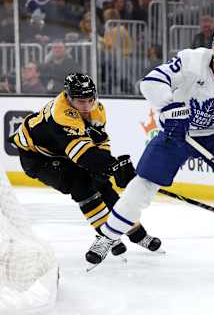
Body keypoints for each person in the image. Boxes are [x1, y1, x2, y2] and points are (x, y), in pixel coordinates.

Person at [85, 25, 214, 276]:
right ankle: (108, 237)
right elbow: (152, 81)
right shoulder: (191, 60)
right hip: (178, 133)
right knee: (142, 184)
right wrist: (170, 108)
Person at [9, 73, 162, 258]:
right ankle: (107, 238)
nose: (87, 106)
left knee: (103, 185)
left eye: (91, 99)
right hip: (37, 157)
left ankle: (138, 234)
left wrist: (109, 168)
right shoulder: (60, 114)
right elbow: (81, 154)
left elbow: (99, 141)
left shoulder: (97, 109)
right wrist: (111, 166)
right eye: (81, 101)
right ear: (69, 98)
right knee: (81, 186)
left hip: (63, 152)